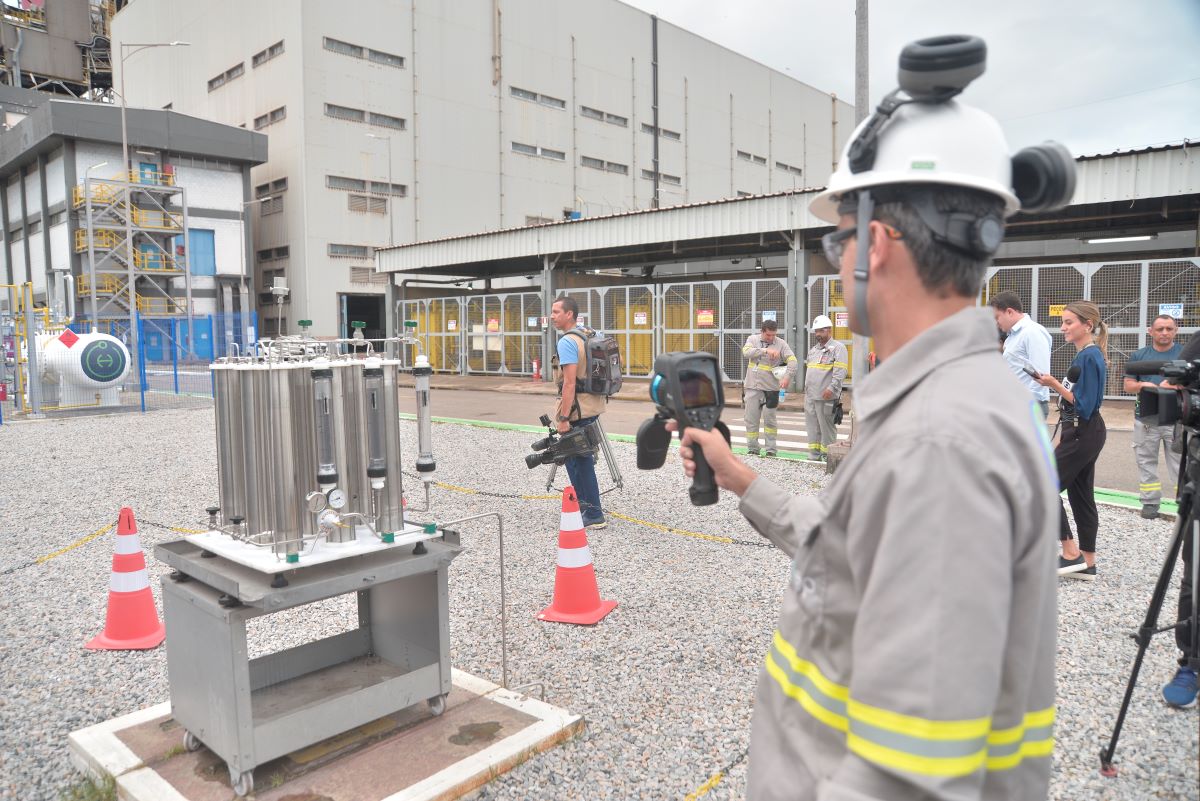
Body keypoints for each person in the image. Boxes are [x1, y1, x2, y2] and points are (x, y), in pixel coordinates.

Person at [669, 48, 1063, 800]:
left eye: (836, 239)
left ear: (875, 246)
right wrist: (742, 477)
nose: (833, 258)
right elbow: (858, 554)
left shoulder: (939, 440)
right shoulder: (949, 398)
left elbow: (907, 778)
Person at [1035, 301, 1107, 579]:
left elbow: (1084, 405)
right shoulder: (1090, 355)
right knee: (1081, 495)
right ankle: (1087, 562)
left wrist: (1053, 385)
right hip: (1084, 431)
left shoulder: (1089, 357)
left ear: (1087, 325)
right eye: (1063, 322)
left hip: (1082, 430)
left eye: (1069, 322)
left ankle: (1070, 552)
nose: (1063, 327)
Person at [549, 296, 607, 528]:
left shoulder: (567, 342)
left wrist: (563, 418)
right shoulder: (590, 333)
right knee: (583, 458)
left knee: (578, 461)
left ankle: (592, 514)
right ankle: (589, 508)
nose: (552, 316)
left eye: (556, 312)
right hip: (592, 404)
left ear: (569, 314)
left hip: (577, 410)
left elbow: (569, 383)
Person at [1124, 314, 1183, 519]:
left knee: (1180, 462)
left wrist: (1175, 385)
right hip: (1146, 419)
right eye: (1160, 329)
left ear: (1175, 330)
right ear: (1151, 331)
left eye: (1169, 328)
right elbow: (1128, 385)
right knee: (1146, 461)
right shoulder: (1139, 357)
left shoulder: (1184, 354)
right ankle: (1150, 503)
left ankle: (1185, 502)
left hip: (1177, 419)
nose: (1165, 333)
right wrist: (1142, 385)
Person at [741, 319, 798, 456]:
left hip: (772, 390)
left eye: (774, 335)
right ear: (762, 332)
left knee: (770, 421)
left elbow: (793, 361)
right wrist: (765, 350)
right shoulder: (752, 339)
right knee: (751, 420)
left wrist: (787, 377)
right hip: (753, 388)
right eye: (768, 335)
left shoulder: (781, 344)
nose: (771, 338)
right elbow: (746, 352)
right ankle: (753, 448)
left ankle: (771, 450)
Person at [990, 291, 1052, 416]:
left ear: (1009, 312)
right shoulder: (1013, 336)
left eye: (997, 317)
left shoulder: (1032, 332)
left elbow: (1040, 376)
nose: (996, 322)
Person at [802, 314, 847, 461]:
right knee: (812, 427)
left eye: (821, 331)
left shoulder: (838, 348)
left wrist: (832, 389)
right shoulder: (814, 350)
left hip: (826, 395)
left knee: (827, 428)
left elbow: (840, 372)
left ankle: (829, 456)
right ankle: (814, 455)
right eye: (816, 331)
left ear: (829, 330)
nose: (818, 335)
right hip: (810, 395)